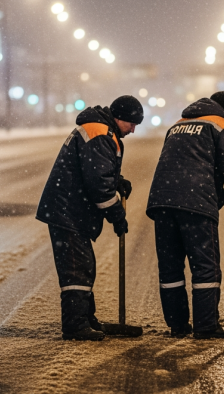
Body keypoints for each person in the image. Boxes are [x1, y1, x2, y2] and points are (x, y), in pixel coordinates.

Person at [36, 95, 143, 341]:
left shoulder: (101, 130)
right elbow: (97, 185)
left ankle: (86, 319)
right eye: (132, 123)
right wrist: (117, 214)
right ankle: (75, 325)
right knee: (77, 269)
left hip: (70, 209)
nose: (134, 129)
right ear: (120, 118)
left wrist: (117, 181)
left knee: (84, 266)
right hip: (68, 211)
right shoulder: (100, 133)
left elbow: (95, 170)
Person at [146, 92, 224, 339]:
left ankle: (178, 325)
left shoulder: (177, 126)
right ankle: (206, 326)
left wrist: (218, 194)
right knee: (205, 266)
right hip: (195, 203)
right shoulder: (222, 125)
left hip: (162, 202)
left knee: (170, 268)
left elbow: (190, 163)